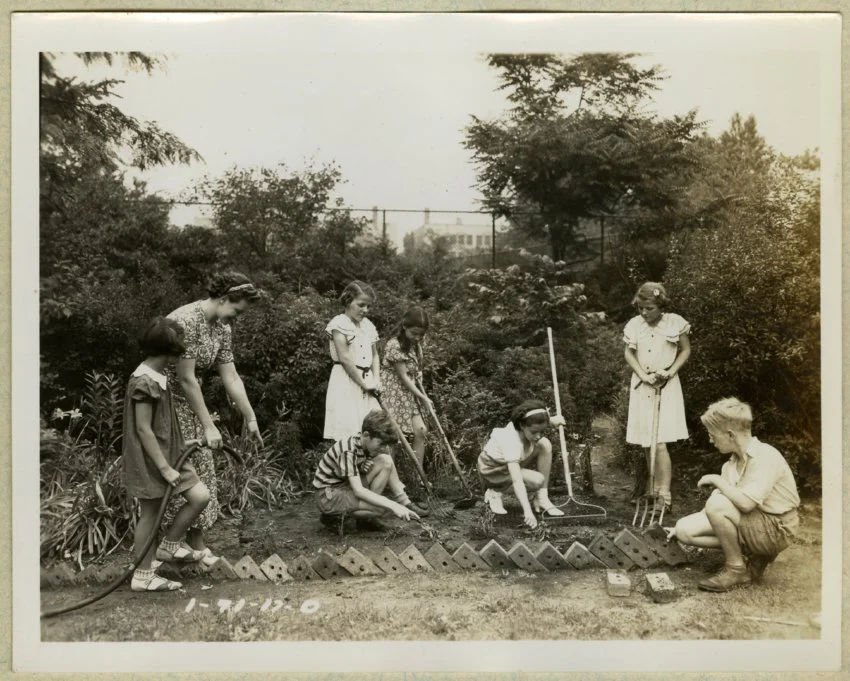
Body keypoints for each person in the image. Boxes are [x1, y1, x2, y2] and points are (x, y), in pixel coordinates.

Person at [161, 271, 263, 567]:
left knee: (203, 471)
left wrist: (251, 417)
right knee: (182, 475)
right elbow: (185, 378)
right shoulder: (187, 320)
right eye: (236, 311)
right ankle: (167, 548)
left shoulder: (221, 327)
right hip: (166, 403)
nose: (236, 318)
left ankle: (197, 548)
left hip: (192, 404)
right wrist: (208, 425)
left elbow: (230, 376)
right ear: (223, 298)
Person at [667, 398, 800, 592]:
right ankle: (752, 554)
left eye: (712, 435)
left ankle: (736, 569)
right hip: (754, 521)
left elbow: (745, 504)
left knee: (717, 504)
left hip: (777, 529)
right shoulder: (730, 465)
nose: (710, 440)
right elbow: (718, 508)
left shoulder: (765, 456)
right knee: (684, 530)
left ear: (730, 434)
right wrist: (679, 528)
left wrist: (716, 480)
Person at [122, 317, 210, 591]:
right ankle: (143, 576)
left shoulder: (158, 376)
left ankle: (169, 545)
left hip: (171, 453)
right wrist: (164, 468)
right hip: (152, 459)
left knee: (200, 496)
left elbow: (160, 424)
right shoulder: (144, 381)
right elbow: (143, 429)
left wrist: (180, 442)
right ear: (169, 352)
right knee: (150, 514)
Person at [623, 281, 691, 510]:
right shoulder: (634, 325)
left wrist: (669, 372)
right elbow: (628, 353)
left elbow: (686, 350)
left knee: (660, 442)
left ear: (661, 305)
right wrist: (643, 375)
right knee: (647, 441)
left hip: (666, 385)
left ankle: (664, 496)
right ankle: (651, 489)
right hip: (643, 385)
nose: (644, 312)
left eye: (649, 308)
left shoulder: (675, 322)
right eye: (641, 308)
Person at [313, 409, 423, 531]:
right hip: (329, 496)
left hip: (343, 487)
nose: (384, 448)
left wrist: (362, 466)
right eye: (381, 444)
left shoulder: (362, 443)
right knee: (383, 509)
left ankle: (366, 520)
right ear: (366, 435)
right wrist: (394, 505)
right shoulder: (348, 450)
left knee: (385, 461)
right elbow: (358, 490)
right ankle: (334, 516)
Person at [477, 399, 567, 528]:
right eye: (534, 432)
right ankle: (495, 492)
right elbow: (517, 481)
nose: (538, 436)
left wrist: (553, 420)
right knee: (537, 480)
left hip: (509, 464)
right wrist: (528, 512)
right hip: (494, 470)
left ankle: (542, 498)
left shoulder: (528, 424)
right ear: (522, 425)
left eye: (542, 431)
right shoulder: (511, 443)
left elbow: (540, 423)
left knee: (545, 444)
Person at [323, 280, 381, 441]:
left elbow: (375, 355)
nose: (365, 310)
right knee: (349, 431)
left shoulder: (368, 326)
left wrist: (375, 381)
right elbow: (345, 359)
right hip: (347, 381)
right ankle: (346, 457)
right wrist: (364, 384)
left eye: (368, 306)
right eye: (361, 305)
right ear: (348, 301)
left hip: (368, 381)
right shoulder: (339, 324)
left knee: (372, 431)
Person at [380, 305, 432, 470]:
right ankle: (389, 477)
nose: (417, 337)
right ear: (404, 326)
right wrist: (423, 398)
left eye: (420, 334)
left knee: (421, 431)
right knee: (393, 435)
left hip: (409, 394)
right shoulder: (394, 345)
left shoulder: (416, 346)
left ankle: (419, 477)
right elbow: (403, 377)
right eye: (414, 333)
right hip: (393, 393)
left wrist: (419, 376)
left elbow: (415, 373)